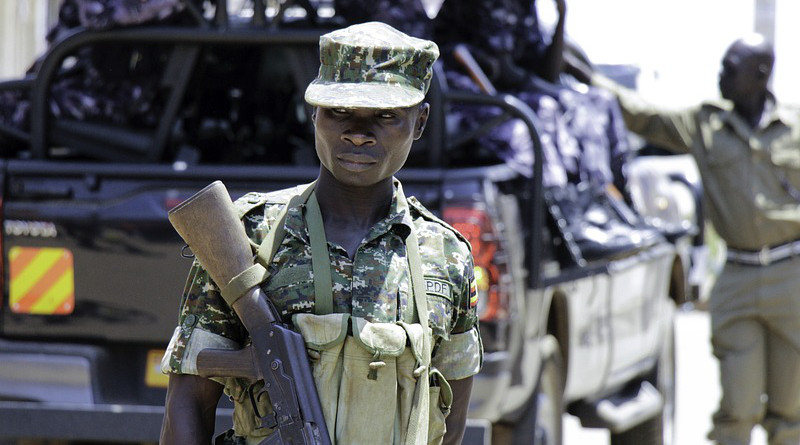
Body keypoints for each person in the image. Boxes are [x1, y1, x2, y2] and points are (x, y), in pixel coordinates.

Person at [159, 21, 482, 445]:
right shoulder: (252, 234)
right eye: (339, 111)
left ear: (419, 122)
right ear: (314, 113)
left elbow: (450, 424)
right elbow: (188, 401)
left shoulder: (447, 254)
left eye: (386, 116)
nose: (357, 133)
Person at [582, 33, 800, 445]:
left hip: (793, 276)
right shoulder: (705, 124)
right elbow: (642, 116)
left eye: (730, 69)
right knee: (738, 407)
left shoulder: (795, 128)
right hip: (738, 276)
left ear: (760, 74)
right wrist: (590, 77)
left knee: (790, 412)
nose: (721, 75)